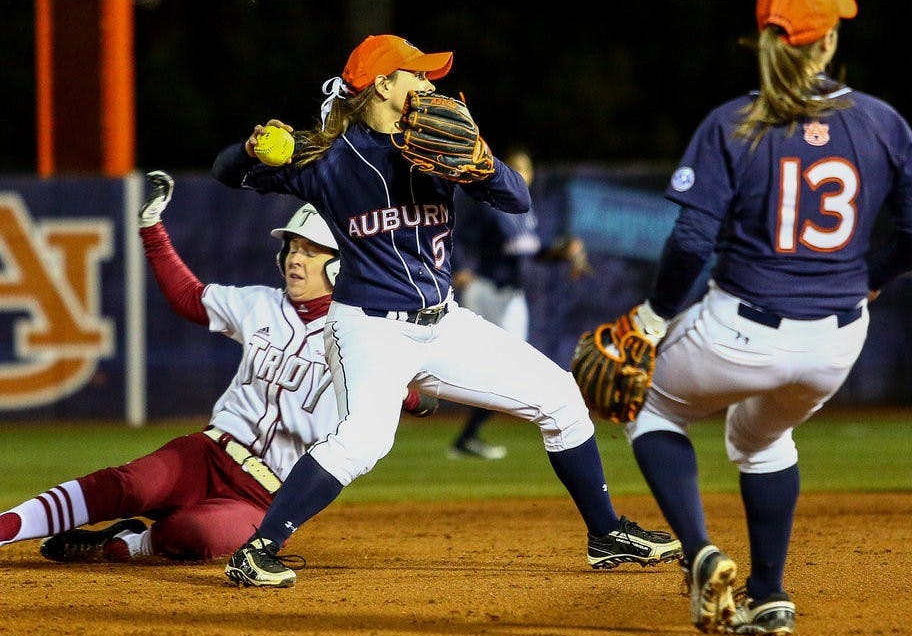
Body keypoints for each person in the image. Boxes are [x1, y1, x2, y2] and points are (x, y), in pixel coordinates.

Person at [211, 33, 680, 588]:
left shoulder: (436, 148)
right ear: (383, 85)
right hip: (369, 329)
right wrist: (250, 148)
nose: (429, 84)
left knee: (560, 397)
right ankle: (261, 548)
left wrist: (479, 162)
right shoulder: (327, 162)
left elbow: (517, 199)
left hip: (444, 323)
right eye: (417, 75)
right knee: (365, 439)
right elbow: (226, 170)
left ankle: (605, 535)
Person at [607, 0, 912, 636]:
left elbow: (693, 240)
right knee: (762, 438)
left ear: (763, 40)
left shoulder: (736, 121)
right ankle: (770, 595)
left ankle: (701, 551)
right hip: (838, 339)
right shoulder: (880, 120)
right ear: (830, 44)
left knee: (647, 403)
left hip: (742, 326)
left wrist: (651, 316)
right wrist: (873, 276)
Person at [0, 171, 435, 562]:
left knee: (200, 533)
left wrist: (408, 395)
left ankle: (128, 543)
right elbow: (188, 298)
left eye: (311, 251)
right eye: (292, 248)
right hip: (209, 452)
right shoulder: (260, 304)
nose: (295, 259)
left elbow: (418, 396)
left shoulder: (361, 334)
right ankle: (7, 526)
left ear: (341, 264)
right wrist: (152, 231)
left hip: (268, 494)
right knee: (128, 485)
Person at [449, 146, 592, 460]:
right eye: (515, 170)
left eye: (525, 171)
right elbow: (455, 235)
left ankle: (468, 436)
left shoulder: (526, 213)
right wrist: (459, 267)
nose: (521, 177)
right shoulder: (487, 205)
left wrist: (563, 252)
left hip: (511, 294)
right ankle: (457, 428)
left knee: (505, 367)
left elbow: (535, 252)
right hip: (486, 290)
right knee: (486, 366)